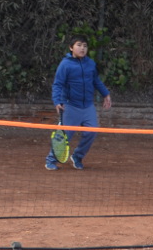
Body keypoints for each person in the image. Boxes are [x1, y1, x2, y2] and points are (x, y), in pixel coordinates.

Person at [45, 34, 113, 170]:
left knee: (92, 131)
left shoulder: (90, 64)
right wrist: (57, 101)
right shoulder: (65, 65)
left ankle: (77, 156)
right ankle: (51, 160)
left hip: (87, 106)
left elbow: (96, 81)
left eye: (85, 46)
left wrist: (106, 94)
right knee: (65, 135)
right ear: (71, 48)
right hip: (70, 105)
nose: (82, 48)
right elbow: (57, 84)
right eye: (79, 45)